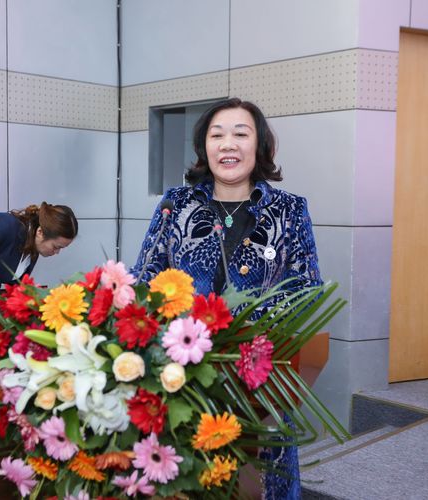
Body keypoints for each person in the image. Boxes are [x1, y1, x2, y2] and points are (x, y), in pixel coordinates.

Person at [132, 97, 322, 499]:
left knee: (258, 483)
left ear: (261, 145)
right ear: (204, 147)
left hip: (259, 379)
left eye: (241, 134)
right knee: (184, 480)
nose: (228, 144)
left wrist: (242, 328)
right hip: (180, 376)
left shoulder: (289, 210)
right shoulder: (176, 204)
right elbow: (145, 278)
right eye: (217, 135)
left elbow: (306, 289)